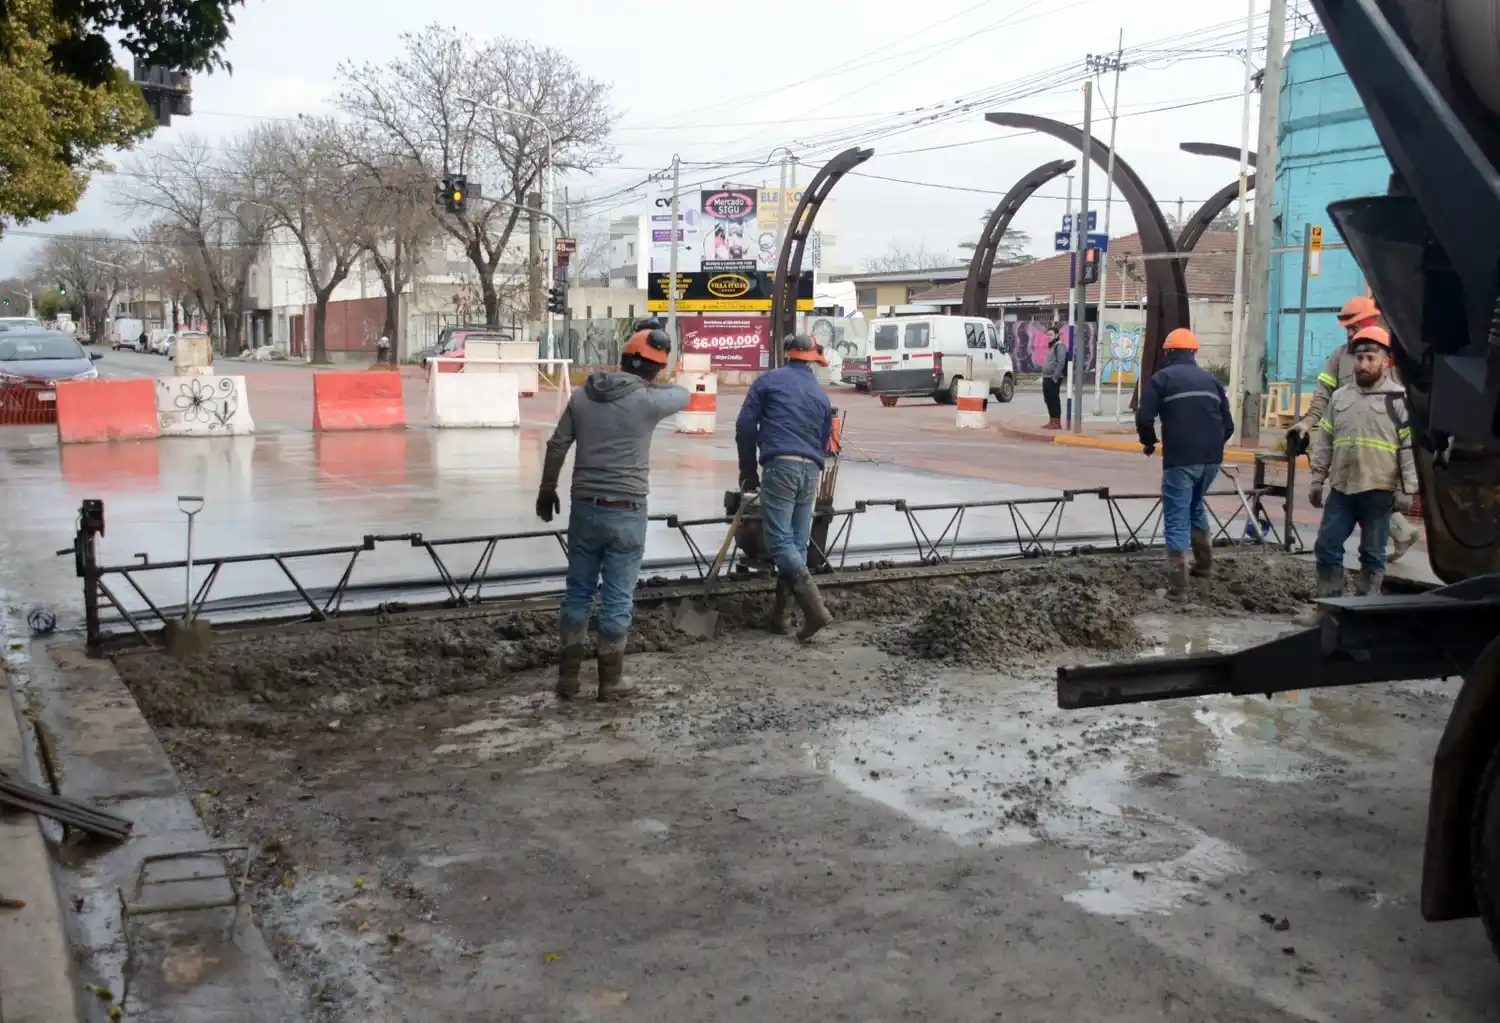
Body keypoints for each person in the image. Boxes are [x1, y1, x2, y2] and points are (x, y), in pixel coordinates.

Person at [536, 327, 689, 701]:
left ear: (622, 358)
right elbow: (684, 394)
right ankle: (610, 681)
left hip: (584, 509)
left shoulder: (582, 397)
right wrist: (651, 383)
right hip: (626, 511)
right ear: (654, 370)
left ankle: (568, 680)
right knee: (618, 598)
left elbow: (557, 445)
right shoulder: (648, 401)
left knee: (578, 592)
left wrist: (547, 489)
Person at [1287, 295, 1420, 561]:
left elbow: (1406, 421)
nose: (1350, 333)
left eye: (1354, 326)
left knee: (1372, 540)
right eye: (1347, 328)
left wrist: (1407, 486)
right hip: (1347, 445)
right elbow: (1323, 395)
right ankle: (1401, 533)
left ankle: (1391, 546)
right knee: (1334, 533)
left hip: (1382, 455)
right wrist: (1306, 423)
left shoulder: (1391, 356)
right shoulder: (1339, 356)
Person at [736, 334, 835, 641]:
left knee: (780, 543)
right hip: (811, 470)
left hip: (781, 466)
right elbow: (824, 441)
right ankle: (780, 617)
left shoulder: (768, 381)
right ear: (813, 361)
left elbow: (744, 426)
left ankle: (815, 610)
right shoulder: (820, 395)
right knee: (797, 545)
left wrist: (747, 471)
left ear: (787, 355)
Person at [1308, 325, 1417, 600]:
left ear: (1386, 361)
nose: (1363, 364)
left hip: (1379, 491)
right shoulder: (1340, 397)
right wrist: (1317, 479)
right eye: (1359, 358)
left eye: (1370, 358)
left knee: (1372, 553)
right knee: (1326, 546)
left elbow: (1409, 448)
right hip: (1342, 489)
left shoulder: (1399, 399)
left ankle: (1365, 608)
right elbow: (1325, 441)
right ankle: (1328, 606)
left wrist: (1407, 489)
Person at [1135, 327, 1236, 597]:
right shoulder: (1212, 380)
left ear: (1167, 352)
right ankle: (1203, 567)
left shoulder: (1162, 378)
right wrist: (1211, 446)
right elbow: (1228, 426)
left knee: (1177, 516)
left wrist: (1149, 442)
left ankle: (1178, 588)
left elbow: (1144, 418)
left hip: (1180, 460)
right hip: (1211, 460)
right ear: (1194, 352)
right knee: (1195, 505)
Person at [1041, 326, 1066, 430]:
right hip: (1046, 377)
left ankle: (1057, 423)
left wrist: (1055, 377)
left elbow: (1061, 362)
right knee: (1048, 399)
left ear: (1056, 335)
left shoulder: (1060, 346)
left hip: (1053, 378)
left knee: (1054, 399)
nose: (1048, 337)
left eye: (1050, 335)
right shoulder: (1052, 346)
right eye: (1047, 335)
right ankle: (1052, 420)